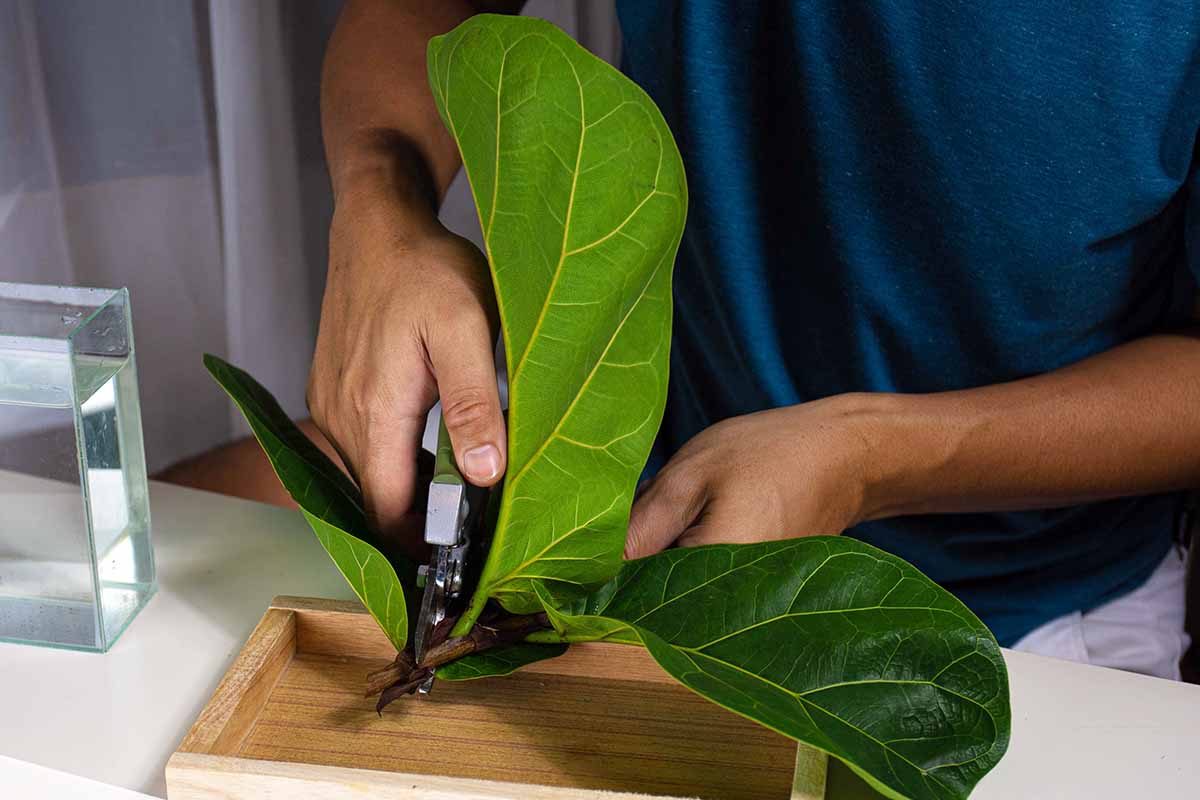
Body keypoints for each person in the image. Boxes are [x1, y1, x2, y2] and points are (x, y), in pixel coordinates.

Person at [219, 1, 1200, 679]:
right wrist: (377, 210)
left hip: (1034, 609)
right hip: (639, 500)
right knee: (180, 527)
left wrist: (866, 456)